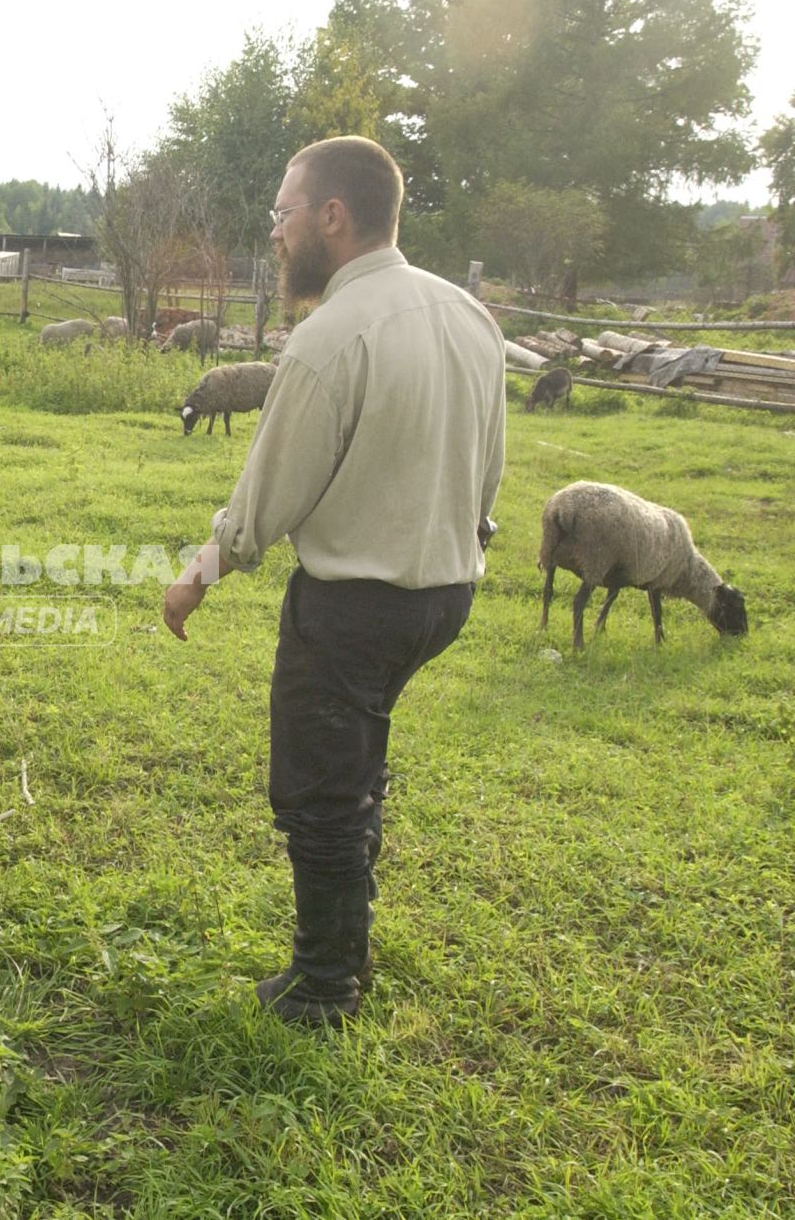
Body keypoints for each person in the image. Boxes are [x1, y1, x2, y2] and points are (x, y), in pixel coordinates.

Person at [161, 136, 506, 1027]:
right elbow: (488, 470)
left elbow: (269, 491)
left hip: (356, 604)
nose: (274, 234)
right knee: (358, 765)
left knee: (319, 787)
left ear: (332, 217)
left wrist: (201, 570)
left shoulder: (329, 336)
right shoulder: (470, 317)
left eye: (281, 215)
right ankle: (346, 953)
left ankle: (323, 985)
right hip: (445, 594)